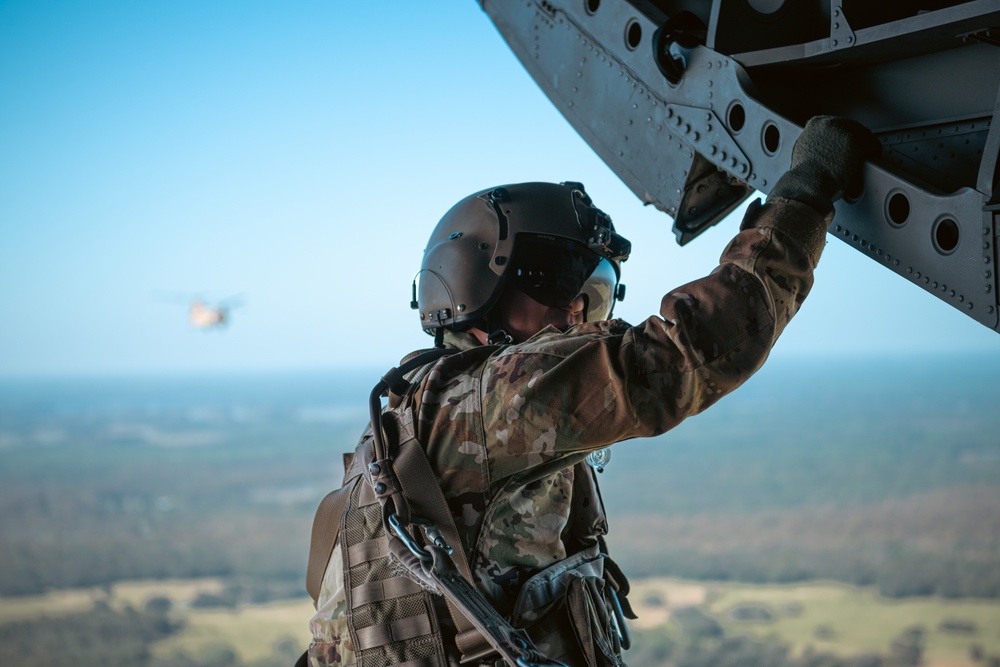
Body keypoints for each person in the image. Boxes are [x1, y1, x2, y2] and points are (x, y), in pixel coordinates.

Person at [303, 116, 880, 667]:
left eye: (595, 295)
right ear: (478, 285)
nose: (579, 312)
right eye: (559, 283)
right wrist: (806, 191)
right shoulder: (491, 400)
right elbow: (697, 347)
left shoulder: (407, 422)